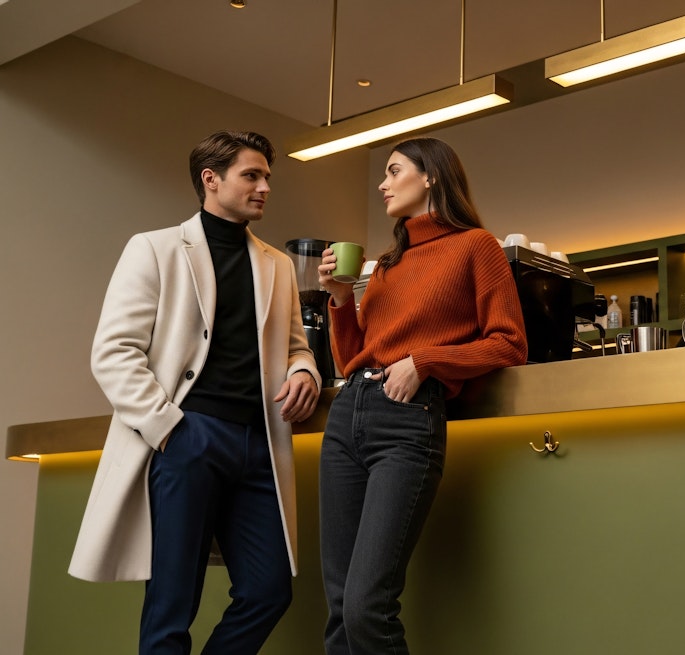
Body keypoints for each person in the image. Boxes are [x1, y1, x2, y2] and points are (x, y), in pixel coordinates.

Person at [69, 130, 322, 654]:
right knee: (172, 601)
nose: (265, 187)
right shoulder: (156, 248)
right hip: (189, 437)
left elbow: (297, 347)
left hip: (259, 447)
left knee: (269, 591)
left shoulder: (275, 264)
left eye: (267, 177)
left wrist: (305, 373)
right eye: (251, 175)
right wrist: (168, 429)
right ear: (211, 179)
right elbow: (114, 351)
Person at [317, 136, 527, 654]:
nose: (383, 184)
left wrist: (427, 361)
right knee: (342, 610)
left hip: (407, 421)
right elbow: (352, 358)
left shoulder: (476, 245)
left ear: (430, 175)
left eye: (392, 171)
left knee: (368, 607)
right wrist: (342, 300)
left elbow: (509, 342)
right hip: (348, 416)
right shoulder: (388, 264)